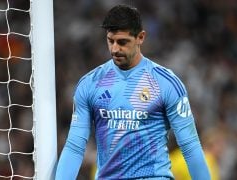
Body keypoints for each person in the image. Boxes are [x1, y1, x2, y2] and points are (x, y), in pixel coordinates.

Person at [55, 4, 210, 180]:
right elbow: (75, 146)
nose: (114, 49)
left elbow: (190, 146)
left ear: (140, 37)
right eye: (110, 41)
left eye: (122, 42)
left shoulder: (166, 84)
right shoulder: (90, 84)